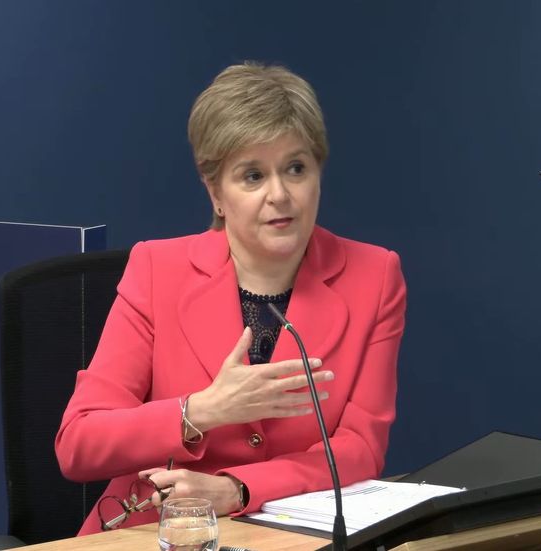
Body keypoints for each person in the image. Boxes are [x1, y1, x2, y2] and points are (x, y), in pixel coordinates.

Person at [55, 62, 407, 535]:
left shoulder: (375, 276)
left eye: (296, 169)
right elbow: (79, 444)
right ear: (215, 192)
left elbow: (360, 449)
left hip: (287, 540)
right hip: (158, 534)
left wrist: (237, 488)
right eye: (253, 176)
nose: (280, 194)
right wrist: (202, 410)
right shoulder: (157, 269)